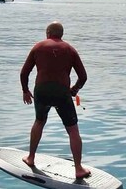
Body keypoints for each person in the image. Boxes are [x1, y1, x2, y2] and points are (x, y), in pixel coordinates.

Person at [20, 21, 90, 179]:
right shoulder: (70, 49)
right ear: (61, 34)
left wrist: (25, 90)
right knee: (73, 130)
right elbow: (83, 76)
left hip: (42, 91)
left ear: (48, 33)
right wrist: (74, 90)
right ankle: (78, 168)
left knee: (39, 121)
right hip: (61, 92)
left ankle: (31, 158)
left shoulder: (38, 47)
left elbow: (24, 73)